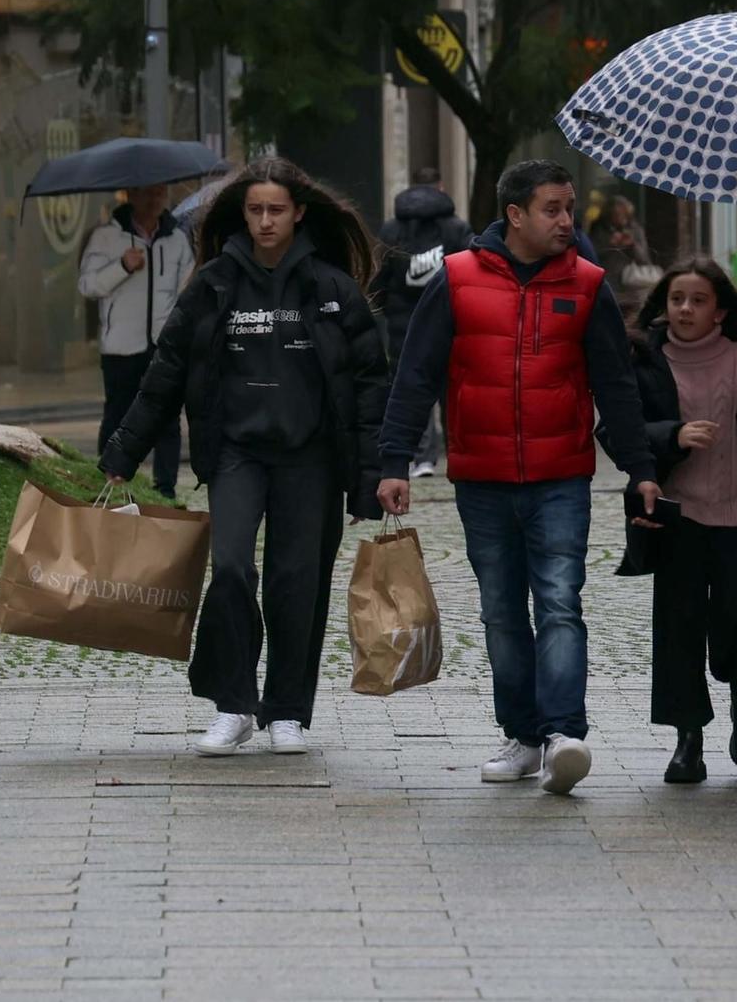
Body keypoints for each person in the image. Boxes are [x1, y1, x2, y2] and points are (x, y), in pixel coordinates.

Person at [376, 159, 662, 796]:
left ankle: (564, 734)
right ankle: (523, 736)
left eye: (569, 207)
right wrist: (393, 461)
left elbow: (616, 386)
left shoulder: (588, 284)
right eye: (553, 209)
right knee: (502, 612)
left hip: (561, 474)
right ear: (516, 215)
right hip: (481, 477)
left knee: (559, 602)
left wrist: (641, 467)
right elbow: (415, 375)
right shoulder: (455, 278)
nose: (567, 220)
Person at [101, 158, 387, 756]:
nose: (264, 221)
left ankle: (287, 711)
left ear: (299, 213)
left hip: (309, 459)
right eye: (255, 210)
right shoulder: (214, 285)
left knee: (296, 583)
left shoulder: (330, 288)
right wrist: (125, 448)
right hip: (235, 455)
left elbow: (368, 386)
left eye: (276, 210)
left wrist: (369, 479)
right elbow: (167, 371)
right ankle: (234, 705)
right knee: (230, 569)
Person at [603, 258, 737, 785]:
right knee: (677, 627)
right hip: (675, 515)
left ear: (721, 309)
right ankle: (687, 737)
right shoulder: (645, 360)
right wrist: (670, 436)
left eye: (699, 300)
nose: (685, 309)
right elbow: (618, 430)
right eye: (678, 298)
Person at [79, 183, 194, 500]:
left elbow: (187, 287)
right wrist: (122, 266)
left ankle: (165, 488)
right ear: (130, 196)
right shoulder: (106, 236)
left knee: (168, 418)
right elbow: (87, 285)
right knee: (117, 415)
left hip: (164, 345)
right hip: (121, 345)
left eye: (160, 193)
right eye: (148, 192)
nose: (156, 198)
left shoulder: (176, 239)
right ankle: (106, 479)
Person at [366, 168, 471, 478]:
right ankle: (458, 454)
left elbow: (379, 278)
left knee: (412, 388)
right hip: (452, 324)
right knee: (453, 392)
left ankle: (419, 457)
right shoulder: (456, 228)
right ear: (440, 187)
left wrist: (384, 310)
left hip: (404, 327)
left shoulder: (391, 229)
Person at [590, 193, 660, 310]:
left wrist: (632, 244)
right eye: (616, 215)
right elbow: (592, 254)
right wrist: (610, 243)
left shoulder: (635, 229)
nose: (620, 218)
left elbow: (644, 259)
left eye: (623, 214)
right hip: (608, 281)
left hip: (631, 283)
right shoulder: (599, 229)